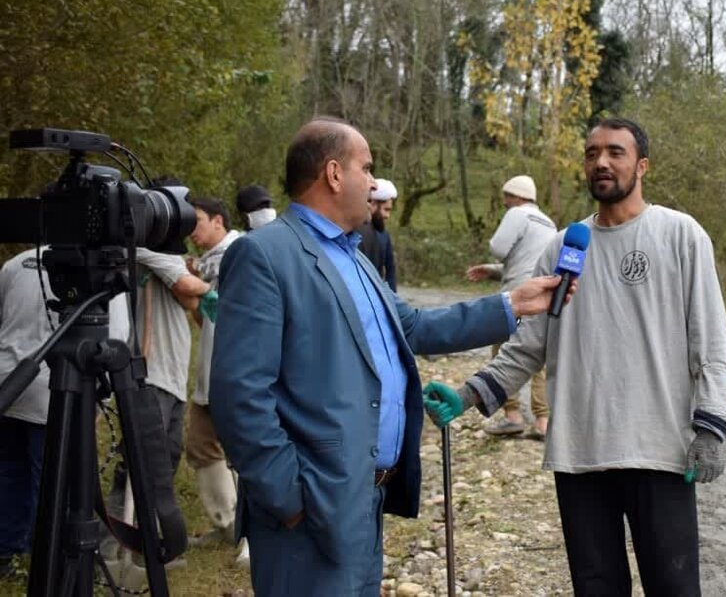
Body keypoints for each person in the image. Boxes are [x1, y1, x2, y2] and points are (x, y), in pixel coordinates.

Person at [208, 117, 569, 595]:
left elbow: (415, 326)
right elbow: (239, 397)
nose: (374, 183)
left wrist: (513, 304)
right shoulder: (266, 256)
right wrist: (291, 500)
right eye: (367, 167)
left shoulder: (353, 256)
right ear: (334, 174)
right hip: (310, 508)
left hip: (364, 498)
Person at [424, 117, 726, 595]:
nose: (601, 162)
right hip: (580, 453)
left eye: (615, 152)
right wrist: (467, 394)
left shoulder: (680, 235)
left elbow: (710, 339)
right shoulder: (562, 248)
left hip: (660, 449)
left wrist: (711, 425)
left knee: (674, 587)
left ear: (642, 165)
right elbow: (529, 345)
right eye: (592, 154)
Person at [0, 247, 127, 578]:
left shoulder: (16, 264)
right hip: (57, 390)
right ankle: (58, 561)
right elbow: (114, 343)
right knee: (55, 482)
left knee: (10, 473)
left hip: (7, 384)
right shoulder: (101, 270)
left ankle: (7, 552)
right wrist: (104, 400)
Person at [465, 175, 556, 438]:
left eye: (507, 197)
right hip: (542, 294)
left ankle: (512, 415)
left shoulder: (518, 214)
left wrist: (495, 262)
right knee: (538, 354)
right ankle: (542, 421)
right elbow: (529, 261)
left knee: (503, 351)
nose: (505, 202)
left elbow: (499, 248)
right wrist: (493, 272)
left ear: (516, 196)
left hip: (517, 295)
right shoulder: (549, 223)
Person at [185, 197, 242, 552]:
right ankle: (227, 525)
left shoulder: (239, 253)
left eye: (199, 221)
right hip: (211, 368)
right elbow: (204, 319)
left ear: (219, 221)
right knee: (201, 446)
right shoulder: (205, 264)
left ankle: (252, 534)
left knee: (244, 450)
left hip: (237, 371)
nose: (192, 230)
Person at [358, 178, 397, 290]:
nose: (387, 216)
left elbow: (390, 270)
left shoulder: (383, 235)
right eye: (386, 209)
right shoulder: (356, 232)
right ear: (374, 204)